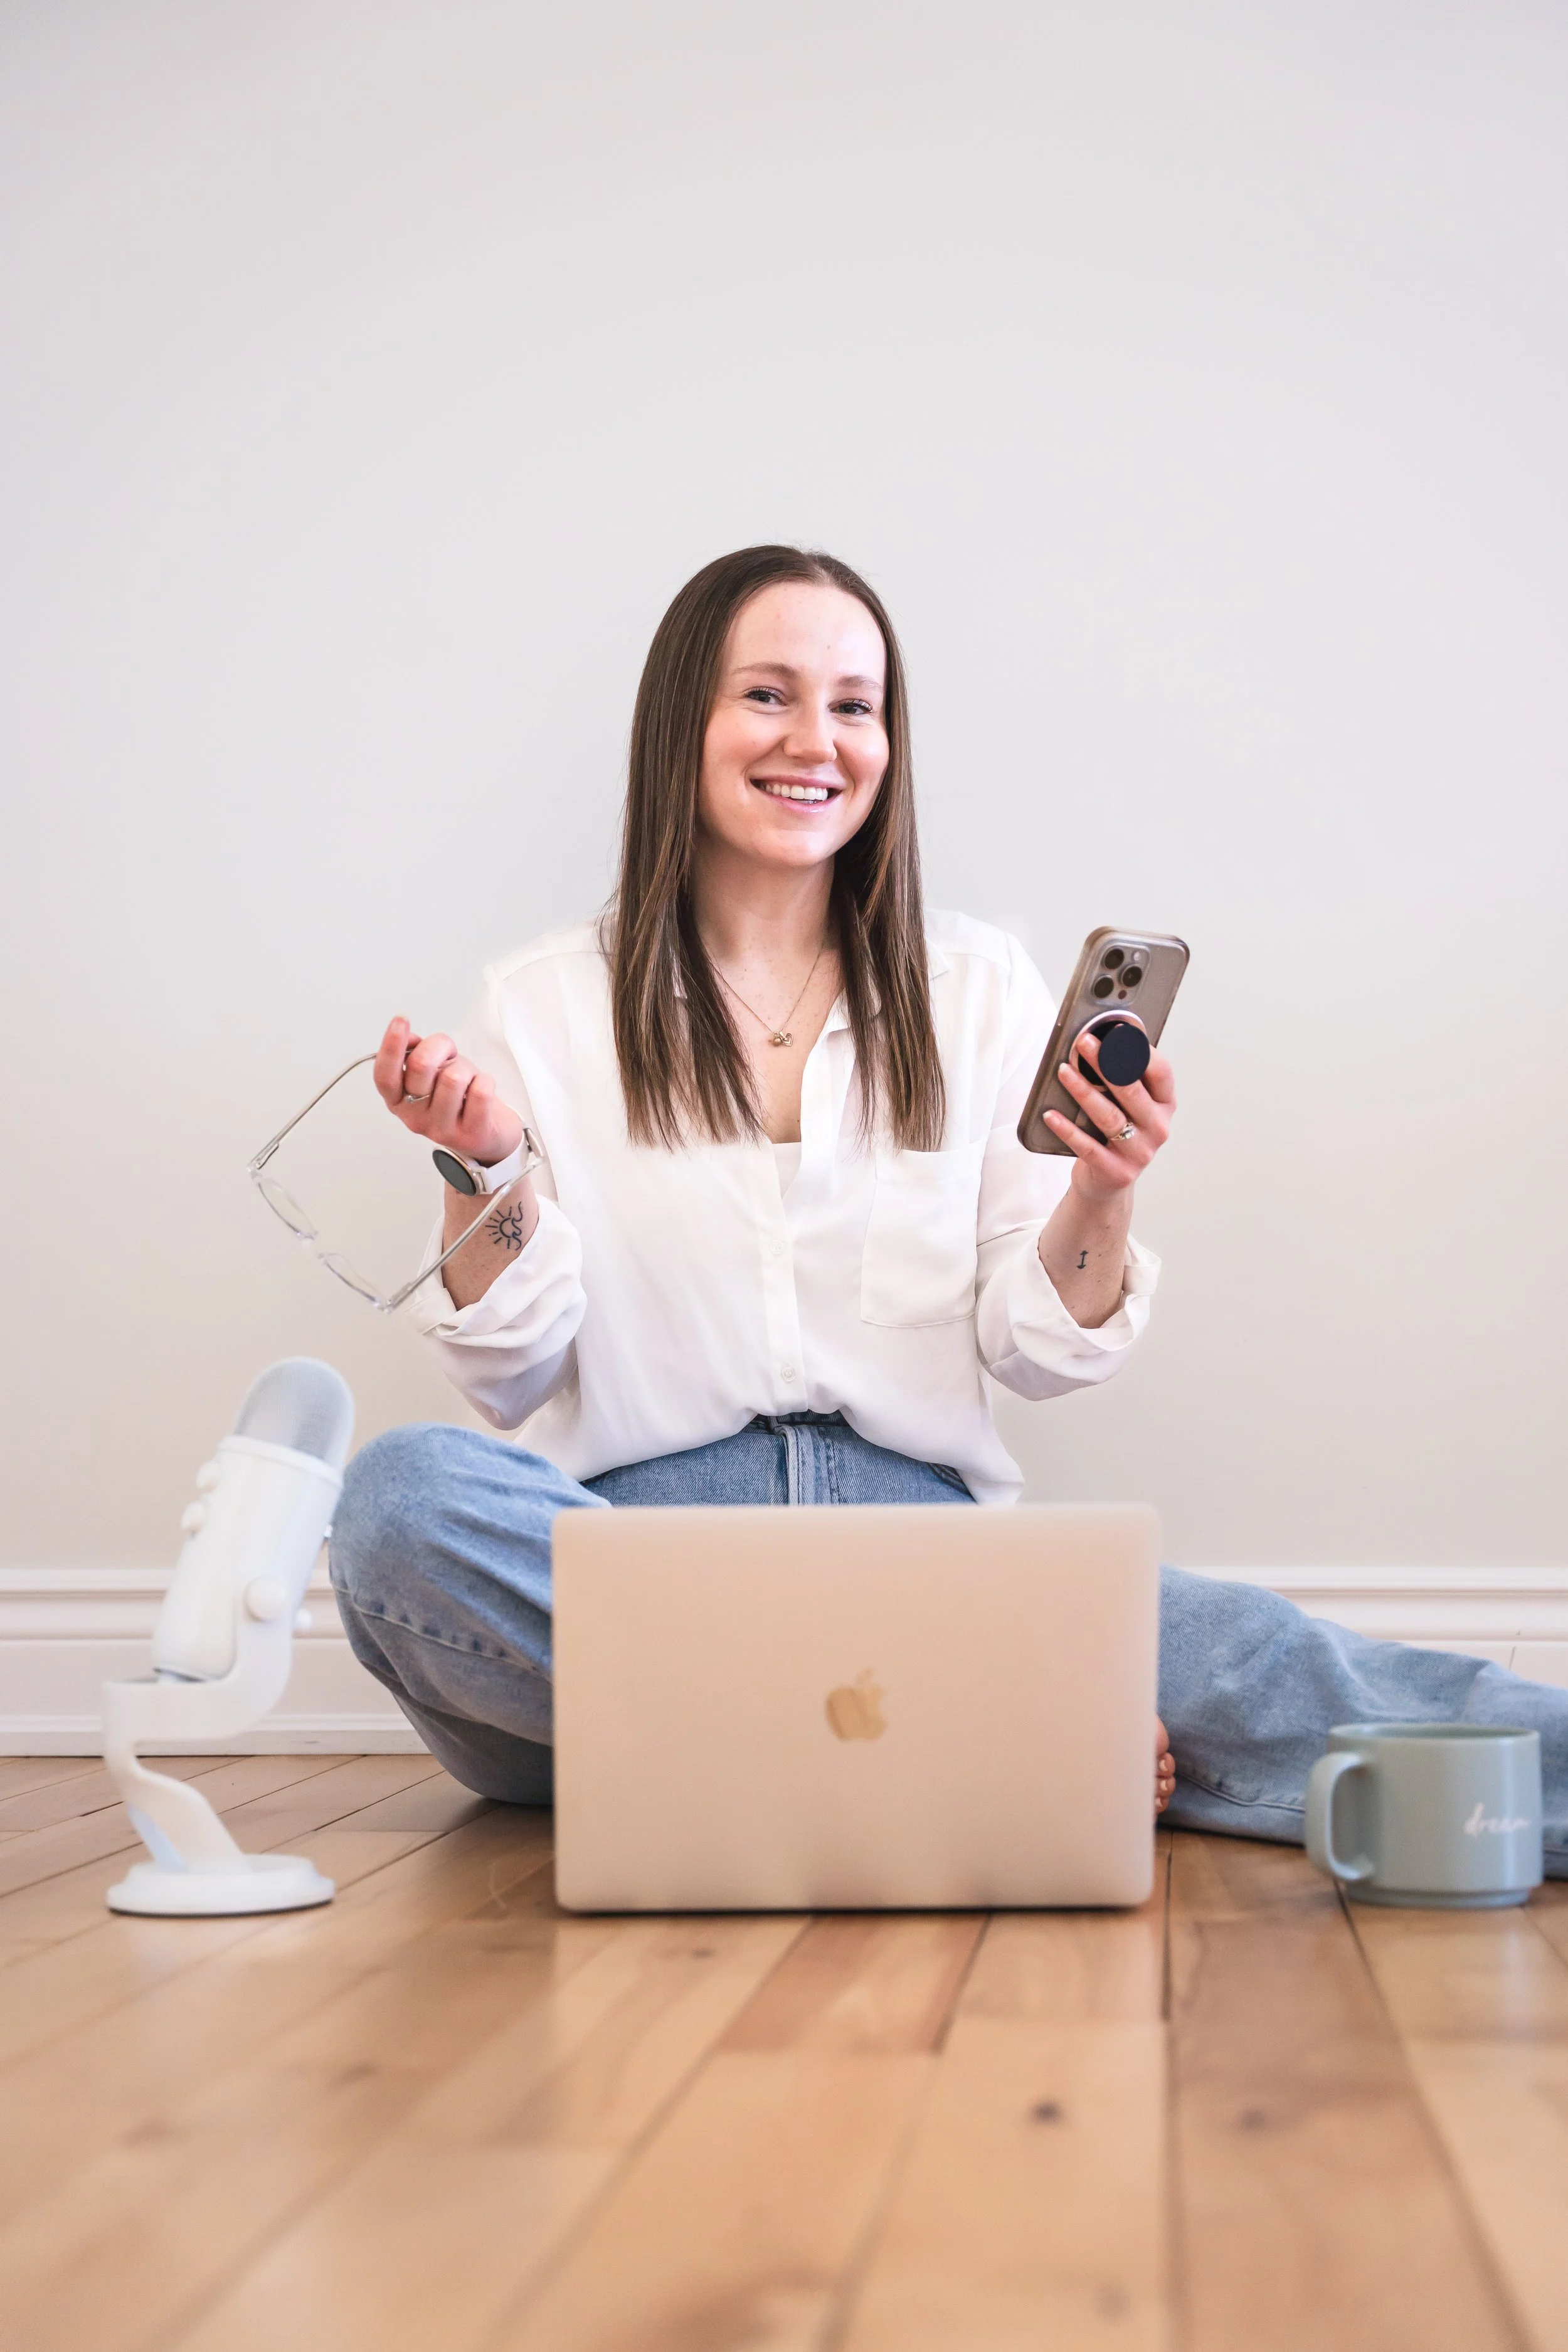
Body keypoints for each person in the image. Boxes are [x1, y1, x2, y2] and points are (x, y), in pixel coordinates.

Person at [330, 545, 1567, 1873]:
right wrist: (485, 1171)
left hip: (926, 1577)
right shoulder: (539, 1004)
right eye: (767, 695)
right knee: (399, 1502)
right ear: (679, 720)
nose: (816, 740)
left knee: (1271, 1664)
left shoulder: (973, 987)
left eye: (854, 707)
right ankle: (975, 1739)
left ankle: (846, 1747)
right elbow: (510, 1379)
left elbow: (1036, 1353)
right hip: (632, 1587)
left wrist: (1101, 1185)